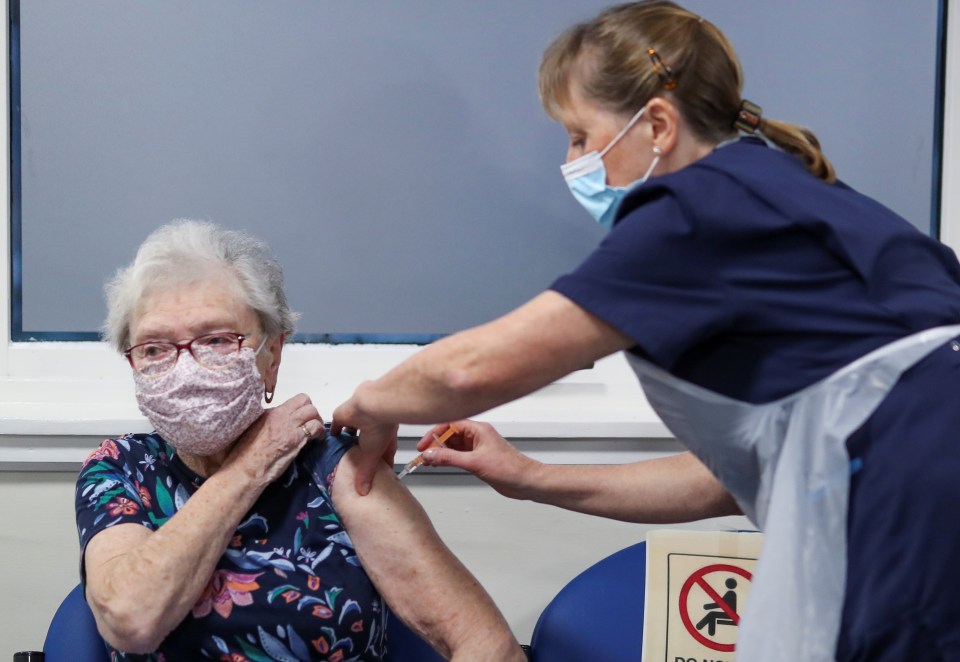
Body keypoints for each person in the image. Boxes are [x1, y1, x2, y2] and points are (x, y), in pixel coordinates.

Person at [331, 2, 960, 660]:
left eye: (579, 134)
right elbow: (738, 476)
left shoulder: (696, 211)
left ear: (657, 123)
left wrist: (367, 404)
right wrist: (529, 476)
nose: (572, 160)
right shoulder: (807, 200)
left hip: (910, 508)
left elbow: (472, 369)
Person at [75, 220, 524, 661]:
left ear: (272, 354)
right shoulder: (121, 468)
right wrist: (252, 466)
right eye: (154, 347)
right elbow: (130, 619)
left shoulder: (333, 467)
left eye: (216, 340)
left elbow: (489, 647)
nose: (186, 370)